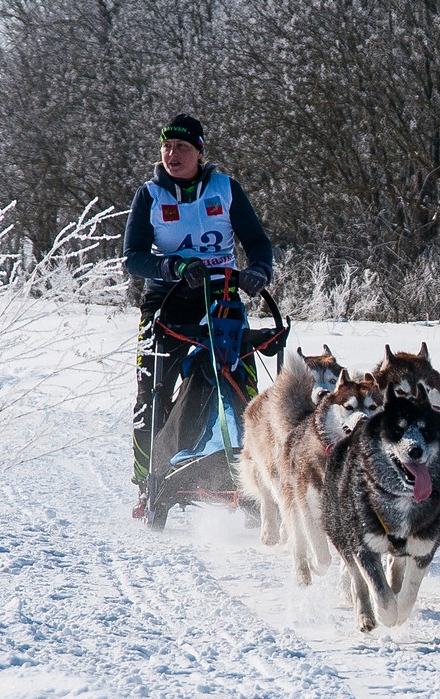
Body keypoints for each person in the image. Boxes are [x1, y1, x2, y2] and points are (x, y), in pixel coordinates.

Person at [123, 113, 273, 518]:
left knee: (244, 395)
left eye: (182, 147)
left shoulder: (225, 190)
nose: (173, 154)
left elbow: (258, 242)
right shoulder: (149, 195)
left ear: (199, 151)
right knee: (150, 397)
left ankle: (255, 483)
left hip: (221, 298)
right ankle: (148, 483)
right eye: (167, 147)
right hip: (166, 304)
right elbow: (133, 258)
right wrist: (172, 267)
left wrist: (259, 271)